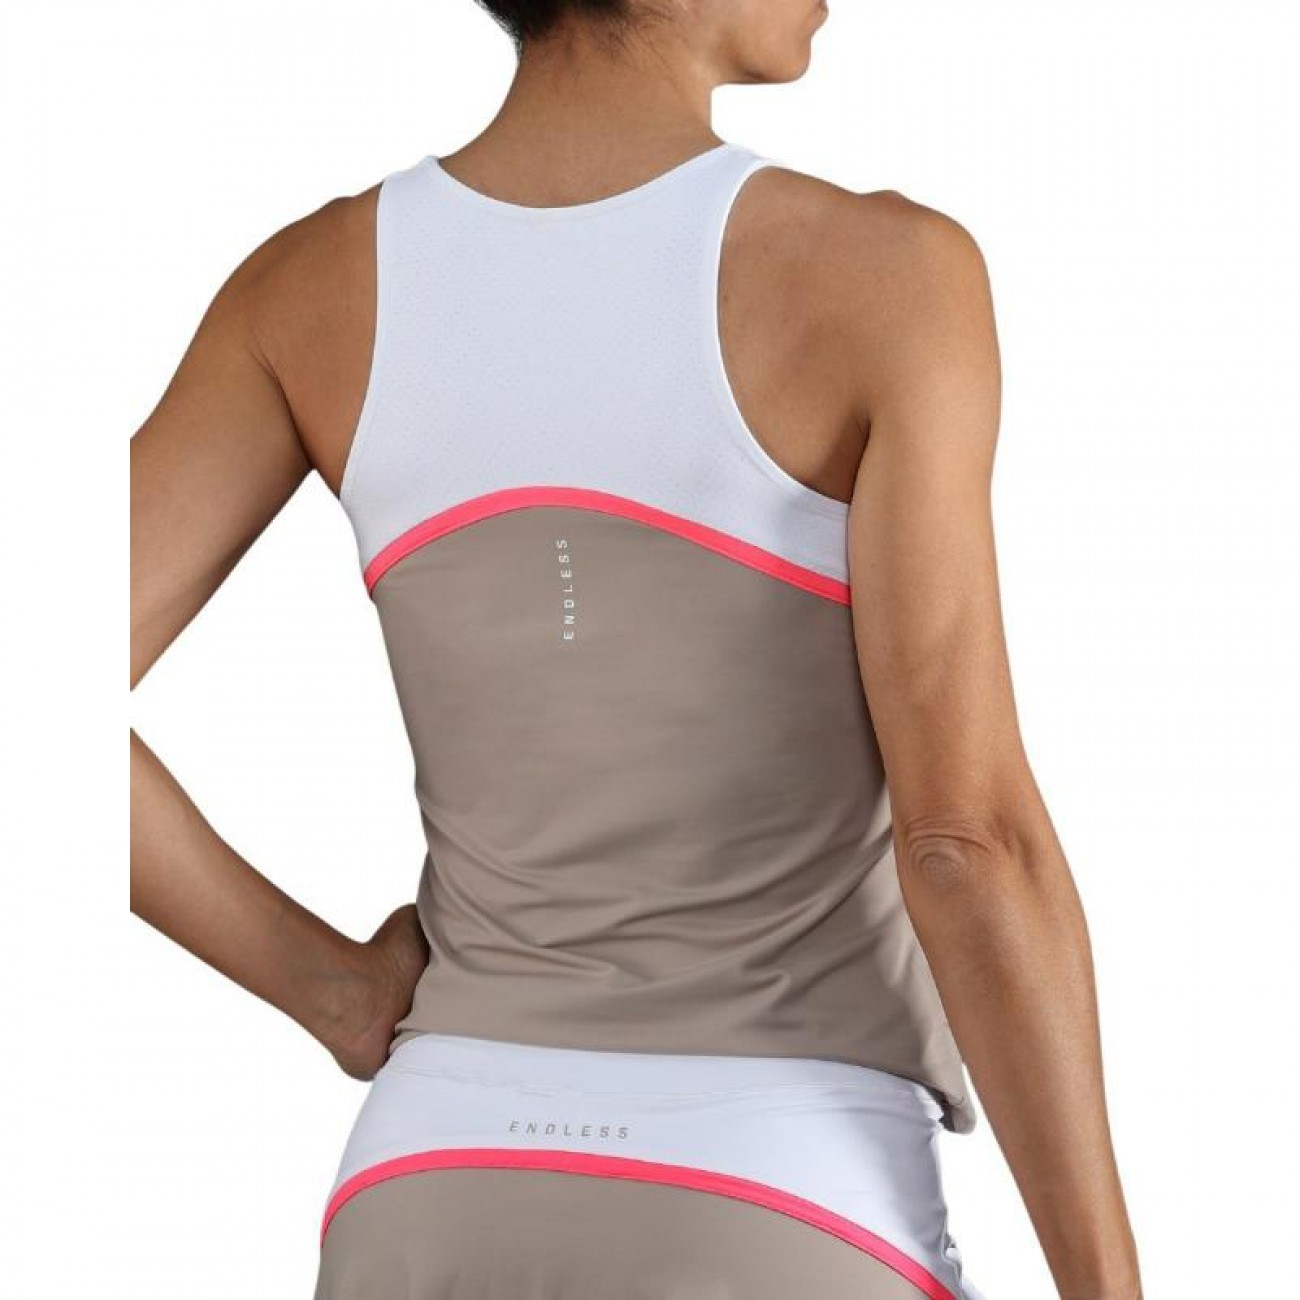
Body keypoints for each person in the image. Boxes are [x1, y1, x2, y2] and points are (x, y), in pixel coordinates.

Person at [129, 1, 1143, 1297]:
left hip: (430, 1179)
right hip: (788, 1189)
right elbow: (965, 846)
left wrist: (331, 988)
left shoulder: (307, 287)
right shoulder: (888, 274)